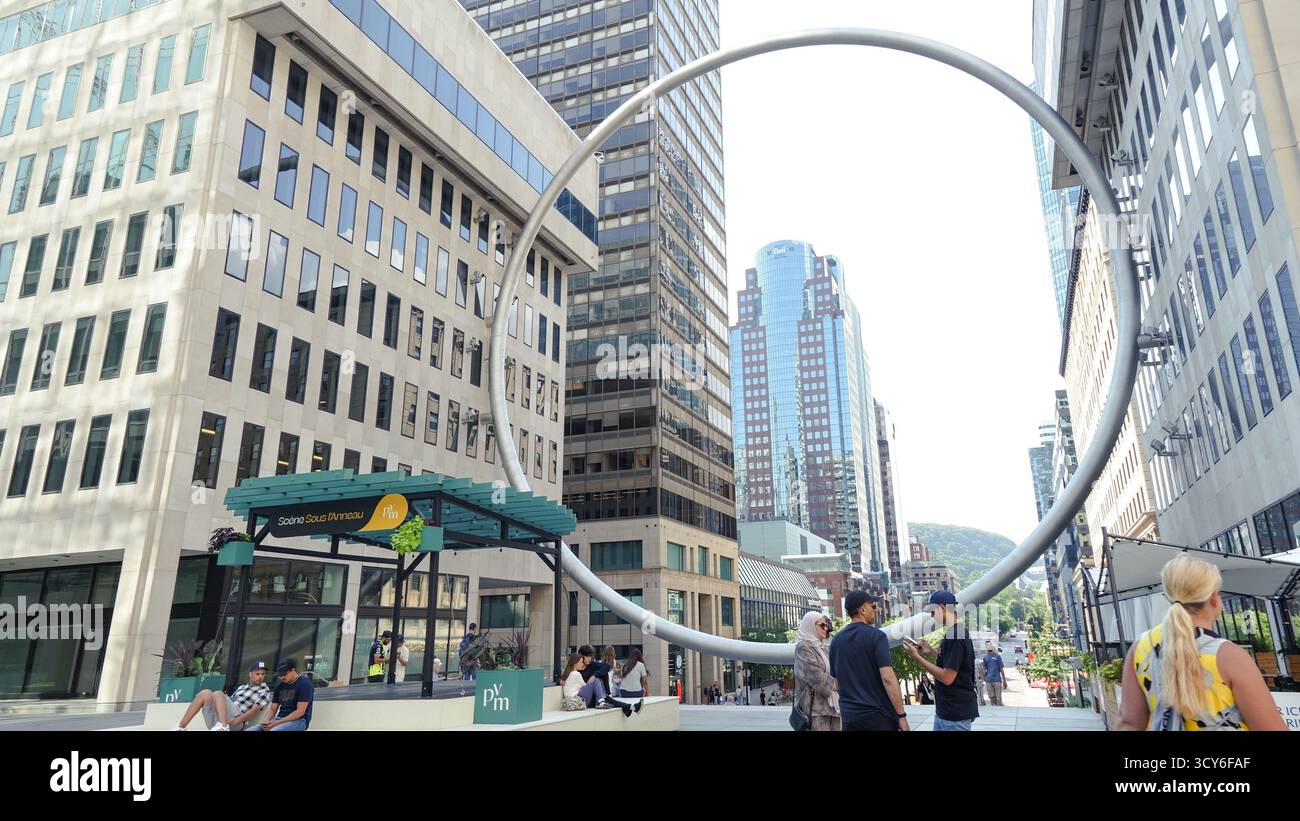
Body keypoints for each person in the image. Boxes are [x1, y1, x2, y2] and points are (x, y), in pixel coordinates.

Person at [1118, 554, 1286, 731]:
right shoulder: (1229, 656)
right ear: (1214, 598)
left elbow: (1129, 723)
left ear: (1168, 597)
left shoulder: (1141, 648)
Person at [829, 590, 909, 731]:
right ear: (863, 610)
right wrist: (901, 716)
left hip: (850, 718)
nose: (876, 609)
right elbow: (888, 678)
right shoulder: (877, 637)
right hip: (878, 717)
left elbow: (836, 683)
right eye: (873, 606)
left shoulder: (836, 640)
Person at [904, 590, 978, 731]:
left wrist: (917, 657)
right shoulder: (956, 631)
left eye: (933, 611)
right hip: (947, 710)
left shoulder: (955, 635)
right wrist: (930, 651)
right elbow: (953, 664)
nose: (932, 616)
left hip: (955, 713)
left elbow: (947, 677)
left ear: (943, 608)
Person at [171, 661, 272, 731]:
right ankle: (181, 727)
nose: (260, 677)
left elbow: (254, 710)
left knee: (218, 693)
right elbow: (229, 702)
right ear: (250, 674)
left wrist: (237, 720)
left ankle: (223, 726)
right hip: (218, 720)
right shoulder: (242, 687)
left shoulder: (264, 690)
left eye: (263, 674)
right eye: (257, 674)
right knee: (205, 693)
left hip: (236, 722)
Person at [793, 611, 841, 731]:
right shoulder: (803, 648)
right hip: (815, 711)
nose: (826, 628)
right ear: (810, 626)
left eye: (826, 625)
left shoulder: (822, 647)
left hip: (832, 708)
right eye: (821, 625)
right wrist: (837, 682)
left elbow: (836, 671)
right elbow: (818, 679)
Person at [560, 653, 641, 717]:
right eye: (580, 662)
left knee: (605, 698)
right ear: (574, 663)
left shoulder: (568, 673)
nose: (582, 664)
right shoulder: (575, 674)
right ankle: (601, 701)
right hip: (578, 700)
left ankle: (628, 707)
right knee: (595, 680)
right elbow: (586, 685)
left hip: (576, 701)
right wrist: (595, 678)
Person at [247, 659, 314, 732]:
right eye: (280, 675)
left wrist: (277, 723)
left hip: (299, 720)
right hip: (279, 719)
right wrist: (267, 721)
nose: (282, 677)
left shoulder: (305, 684)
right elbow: (273, 709)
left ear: (293, 670)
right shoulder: (279, 686)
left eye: (284, 674)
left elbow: (300, 712)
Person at [983, 640, 1008, 706]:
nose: (989, 646)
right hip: (988, 680)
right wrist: (983, 678)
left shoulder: (997, 657)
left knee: (998, 698)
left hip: (997, 680)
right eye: (987, 645)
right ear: (985, 647)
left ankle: (1000, 713)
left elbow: (1001, 669)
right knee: (992, 698)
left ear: (992, 646)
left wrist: (1004, 681)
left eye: (990, 644)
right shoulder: (985, 657)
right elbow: (984, 669)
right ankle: (994, 713)